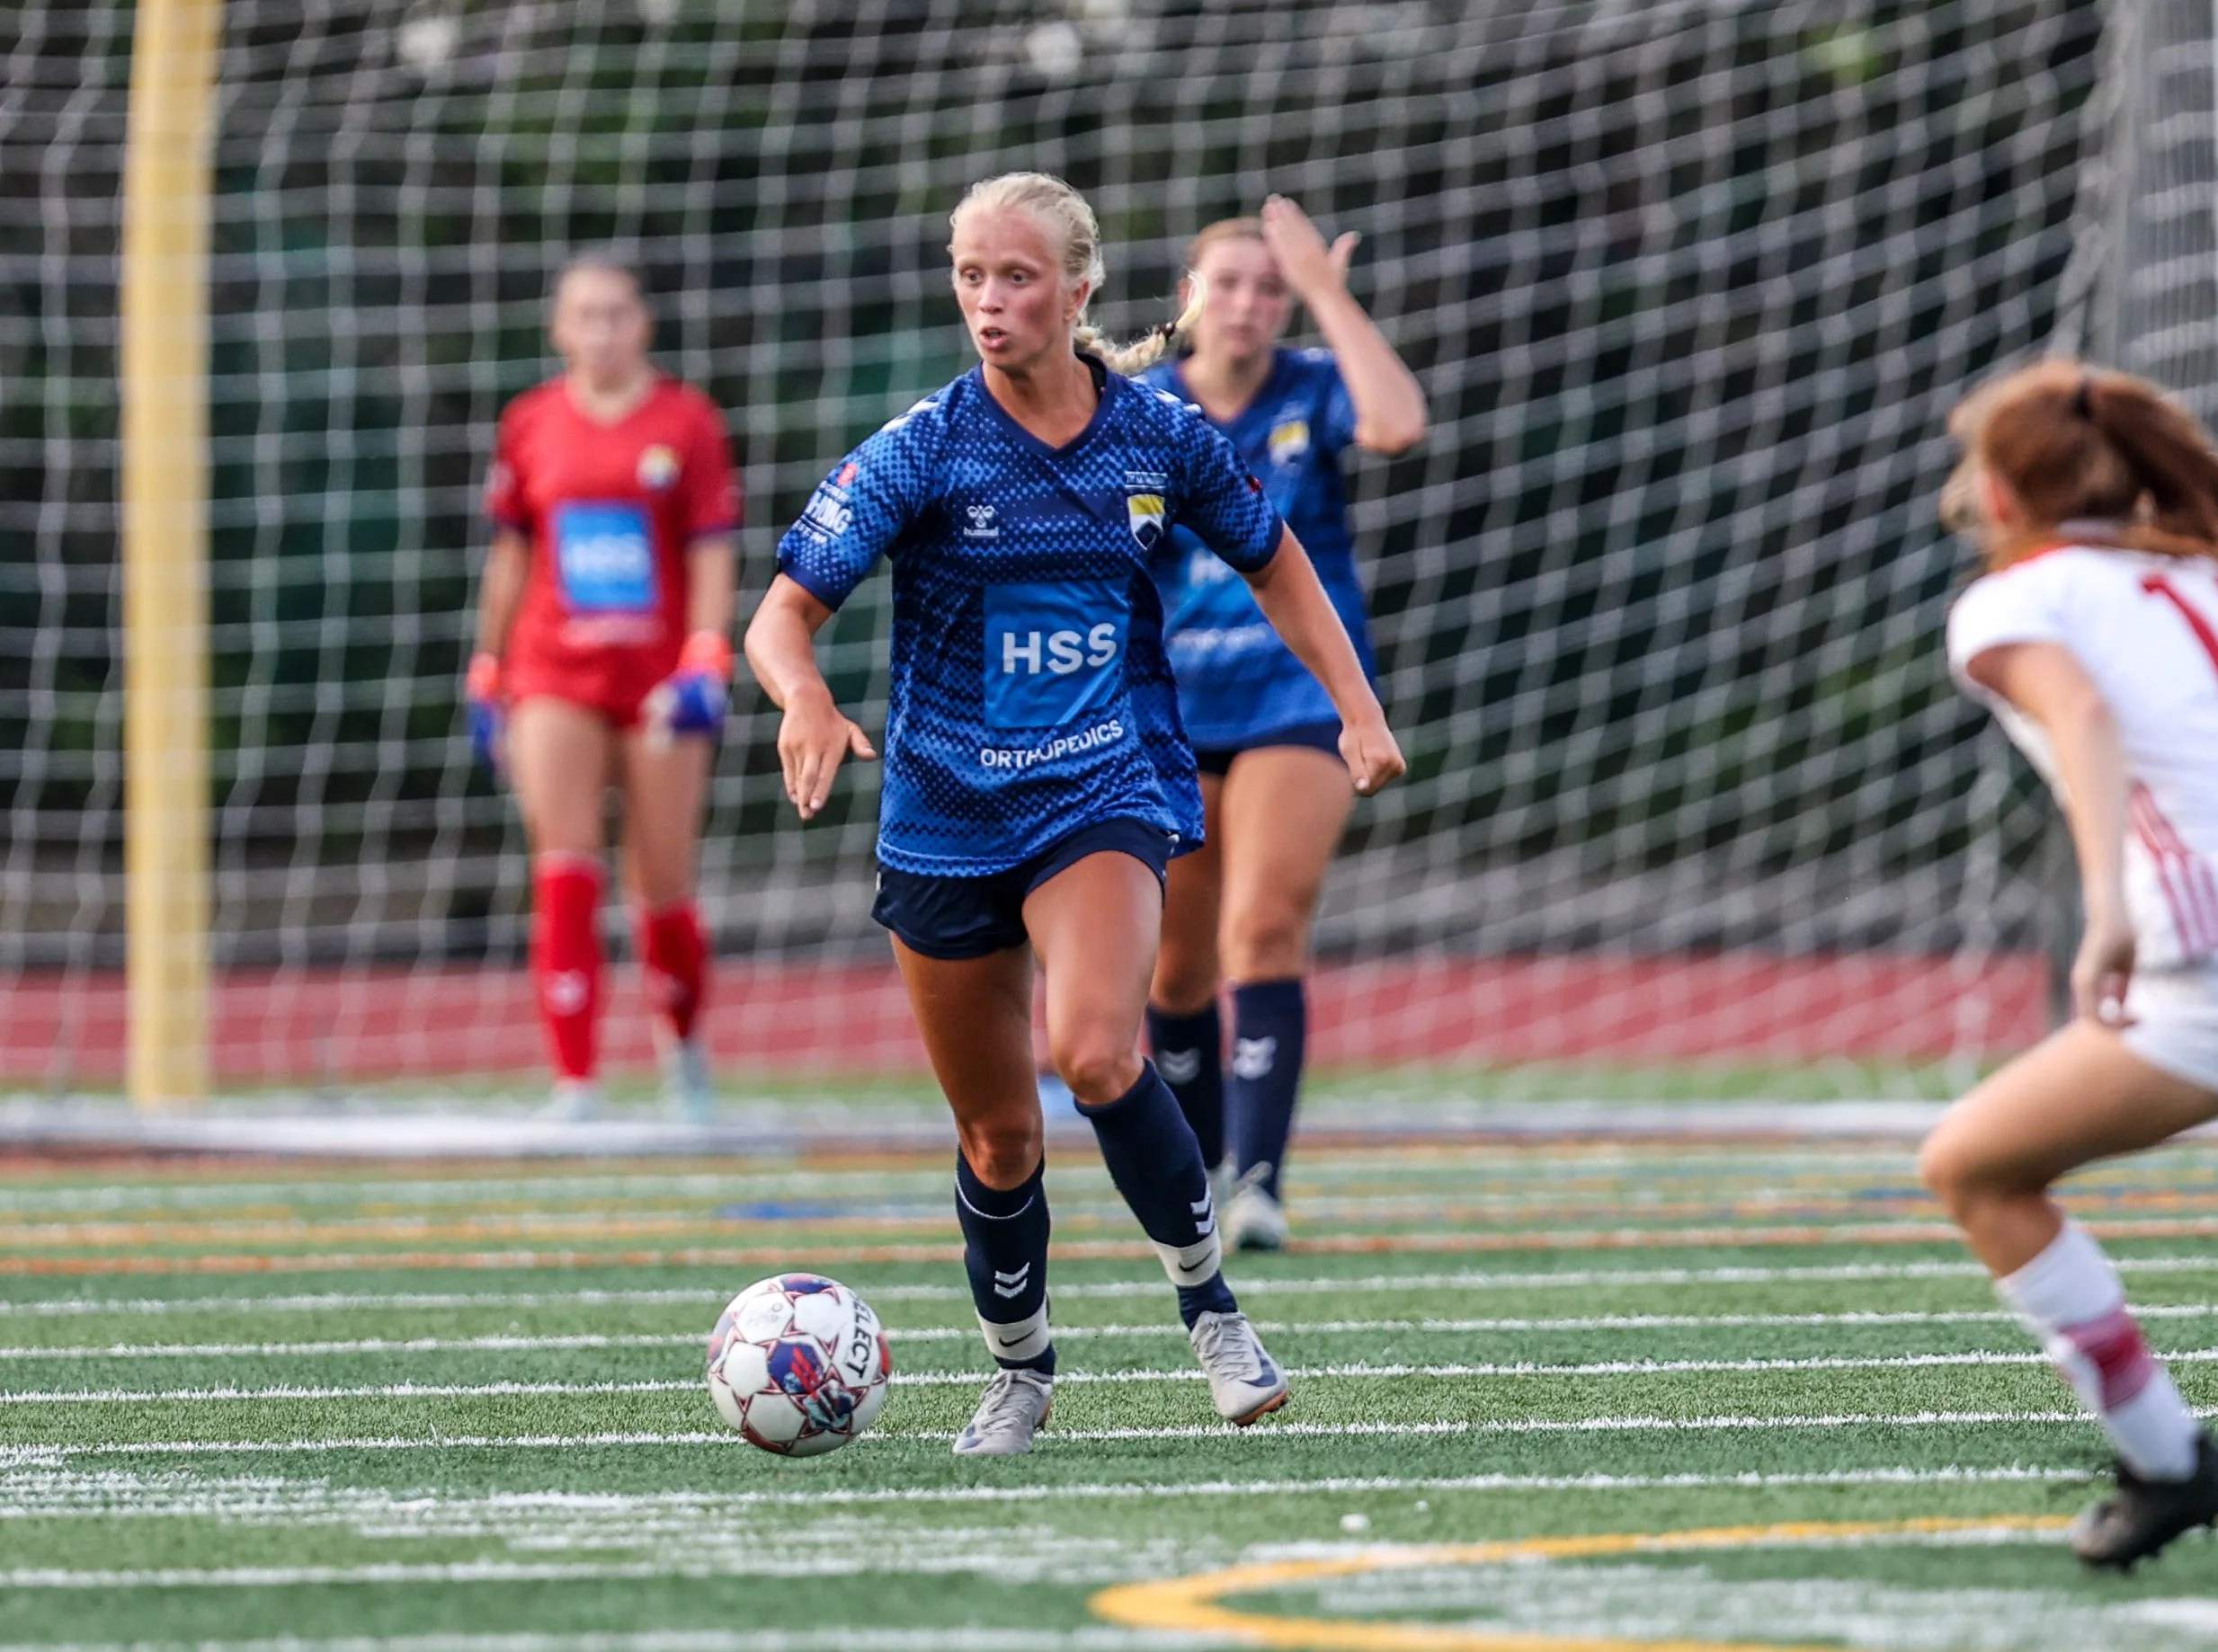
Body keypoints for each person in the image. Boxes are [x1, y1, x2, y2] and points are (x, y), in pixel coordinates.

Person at [745, 172, 1404, 1457]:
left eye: (1017, 277)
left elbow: (1276, 558)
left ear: (1080, 292)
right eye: (970, 276)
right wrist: (804, 696)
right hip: (942, 812)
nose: (988, 303)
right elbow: (782, 611)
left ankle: (1211, 1310)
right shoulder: (922, 446)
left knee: (1097, 1053)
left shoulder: (1153, 434)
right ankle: (1020, 1371)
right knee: (995, 1136)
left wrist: (1355, 707)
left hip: (1104, 785)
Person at [1920, 358, 2218, 1568]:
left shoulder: (2014, 599)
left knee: (1973, 1167)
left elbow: (2085, 717)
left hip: (2195, 960)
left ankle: (2160, 1457)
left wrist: (2102, 909)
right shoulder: (2190, 569)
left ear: (1998, 494)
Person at [1136, 200, 1428, 1250]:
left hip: (1297, 698)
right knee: (1171, 967)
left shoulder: (1311, 384)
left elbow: (1396, 423)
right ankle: (1199, 1181)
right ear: (1187, 299)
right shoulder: (1143, 407)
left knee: (1261, 924)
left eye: (1271, 287)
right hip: (1167, 704)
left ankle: (1258, 1182)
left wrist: (1328, 293)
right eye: (1230, 283)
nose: (1251, 304)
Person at [465, 253, 740, 1121]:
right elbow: (512, 553)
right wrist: (488, 664)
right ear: (559, 327)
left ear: (642, 323)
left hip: (659, 680)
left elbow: (709, 547)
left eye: (616, 314)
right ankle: (575, 1082)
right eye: (584, 315)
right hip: (555, 672)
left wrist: (705, 654)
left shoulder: (686, 421)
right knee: (564, 867)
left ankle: (685, 1063)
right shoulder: (532, 422)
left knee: (662, 881)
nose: (601, 331)